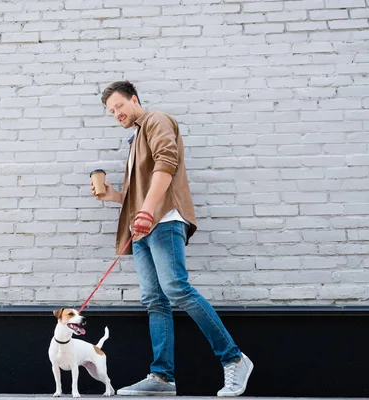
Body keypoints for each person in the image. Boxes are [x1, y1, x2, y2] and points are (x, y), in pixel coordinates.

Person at [90, 80, 253, 396]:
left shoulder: (156, 120)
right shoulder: (134, 140)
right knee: (154, 300)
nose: (116, 114)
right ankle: (162, 378)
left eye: (119, 106)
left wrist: (148, 211)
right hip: (143, 228)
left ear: (134, 99)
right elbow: (140, 193)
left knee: (176, 288)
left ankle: (235, 359)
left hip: (163, 221)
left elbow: (167, 161)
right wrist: (113, 196)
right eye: (111, 112)